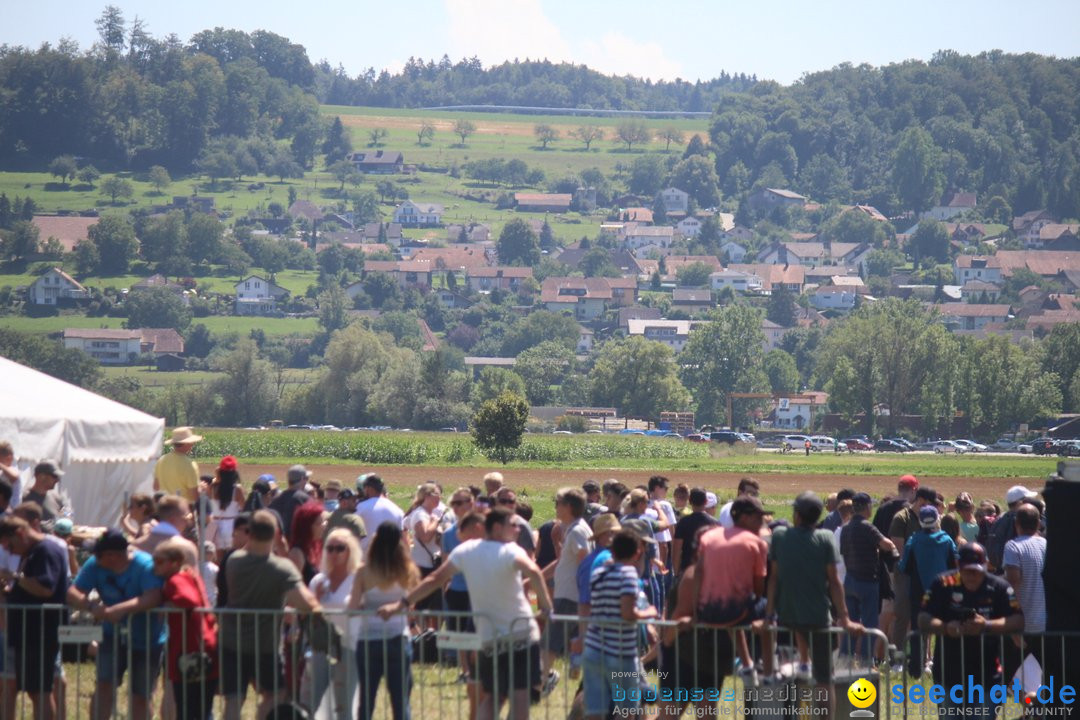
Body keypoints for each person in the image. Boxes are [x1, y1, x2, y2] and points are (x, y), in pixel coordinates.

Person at [380, 507, 553, 720]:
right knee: (519, 697)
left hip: (489, 639)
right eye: (513, 525)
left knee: (492, 697)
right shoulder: (511, 550)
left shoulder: (466, 550)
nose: (518, 529)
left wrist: (402, 603)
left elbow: (435, 579)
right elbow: (534, 572)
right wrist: (546, 607)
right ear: (497, 528)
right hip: (521, 635)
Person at [220, 510, 322, 720]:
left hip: (231, 641)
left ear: (249, 532)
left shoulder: (233, 561)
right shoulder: (281, 567)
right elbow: (304, 602)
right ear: (275, 533)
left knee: (234, 699)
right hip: (265, 644)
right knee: (275, 694)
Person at [765, 491, 861, 704]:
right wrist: (844, 617)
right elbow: (834, 582)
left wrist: (769, 613)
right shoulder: (825, 538)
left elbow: (773, 578)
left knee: (785, 675)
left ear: (797, 515)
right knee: (825, 679)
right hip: (819, 616)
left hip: (786, 616)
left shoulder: (780, 536)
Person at [67, 529, 165, 720]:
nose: (94, 556)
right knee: (104, 685)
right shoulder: (95, 564)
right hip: (112, 636)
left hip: (147, 639)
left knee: (141, 695)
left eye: (99, 553)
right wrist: (91, 606)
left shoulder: (144, 565)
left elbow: (153, 597)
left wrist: (118, 610)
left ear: (113, 555)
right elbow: (72, 593)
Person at [918, 543, 1023, 718]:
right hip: (949, 674)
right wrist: (946, 628)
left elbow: (1018, 620)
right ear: (959, 567)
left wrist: (986, 625)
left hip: (988, 675)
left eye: (977, 571)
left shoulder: (999, 587)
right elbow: (923, 618)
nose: (972, 576)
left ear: (985, 566)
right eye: (968, 571)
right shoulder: (943, 583)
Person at [694, 495, 769, 687]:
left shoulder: (708, 536)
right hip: (736, 609)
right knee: (771, 613)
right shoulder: (756, 542)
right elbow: (759, 585)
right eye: (758, 517)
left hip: (707, 610)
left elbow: (699, 572)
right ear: (743, 518)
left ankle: (747, 663)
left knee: (732, 609)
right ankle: (769, 668)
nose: (762, 522)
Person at [582, 530, 658, 720]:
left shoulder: (597, 573)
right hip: (619, 652)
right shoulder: (628, 574)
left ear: (612, 550)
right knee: (628, 710)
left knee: (594, 710)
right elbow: (628, 613)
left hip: (593, 649)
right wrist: (649, 612)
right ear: (637, 553)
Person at [0, 515, 69, 720]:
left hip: (39, 632)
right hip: (27, 632)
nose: (8, 551)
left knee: (40, 691)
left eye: (9, 545)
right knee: (34, 690)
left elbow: (45, 588)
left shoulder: (45, 551)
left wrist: (14, 577)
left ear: (21, 533)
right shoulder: (31, 553)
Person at [351, 522, 420, 720]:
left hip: (368, 640)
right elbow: (410, 608)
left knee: (366, 700)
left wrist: (365, 607)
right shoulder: (408, 570)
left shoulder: (363, 571)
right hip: (398, 638)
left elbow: (353, 607)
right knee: (401, 702)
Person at [152, 537, 217, 720]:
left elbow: (188, 600)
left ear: (175, 563)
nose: (154, 566)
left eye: (159, 562)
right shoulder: (192, 576)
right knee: (202, 710)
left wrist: (167, 601)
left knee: (190, 711)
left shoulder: (176, 580)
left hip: (191, 653)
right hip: (204, 648)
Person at [304, 528, 360, 720]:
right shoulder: (318, 580)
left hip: (349, 646)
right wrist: (316, 599)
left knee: (345, 703)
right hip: (322, 646)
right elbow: (308, 615)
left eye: (340, 548)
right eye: (330, 548)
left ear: (350, 550)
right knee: (312, 700)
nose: (334, 553)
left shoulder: (357, 580)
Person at [839, 493, 897, 660]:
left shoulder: (846, 528)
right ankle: (865, 659)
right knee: (870, 623)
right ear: (867, 507)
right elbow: (887, 544)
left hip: (849, 580)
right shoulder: (867, 527)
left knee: (851, 621)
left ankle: (846, 658)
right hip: (867, 581)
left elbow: (844, 552)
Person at [544, 488, 592, 682]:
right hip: (570, 595)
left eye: (558, 503)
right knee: (578, 642)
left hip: (570, 596)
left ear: (569, 507)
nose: (555, 507)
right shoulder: (573, 529)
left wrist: (584, 594)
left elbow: (584, 560)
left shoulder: (578, 530)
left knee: (549, 643)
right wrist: (534, 579)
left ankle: (541, 681)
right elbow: (564, 561)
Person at [1003, 502, 1047, 688]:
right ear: (1038, 523)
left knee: (1001, 678)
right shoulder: (1048, 546)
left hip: (1021, 625)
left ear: (1016, 524)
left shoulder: (1013, 546)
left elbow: (1013, 581)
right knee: (1052, 679)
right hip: (1046, 625)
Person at [887, 484, 936, 643]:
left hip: (925, 573)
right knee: (902, 614)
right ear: (921, 500)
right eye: (930, 502)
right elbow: (899, 549)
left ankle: (924, 657)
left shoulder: (932, 517)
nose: (932, 506)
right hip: (905, 573)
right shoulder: (902, 518)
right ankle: (897, 657)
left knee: (925, 614)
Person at [900, 505, 959, 608]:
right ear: (937, 520)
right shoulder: (947, 540)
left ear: (920, 521)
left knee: (919, 621)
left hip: (919, 592)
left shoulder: (913, 541)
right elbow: (955, 565)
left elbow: (904, 568)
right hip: (943, 589)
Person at [404, 483, 445, 605]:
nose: (440, 497)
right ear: (427, 496)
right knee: (422, 605)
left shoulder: (429, 513)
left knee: (435, 606)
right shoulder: (420, 514)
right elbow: (426, 536)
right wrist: (435, 522)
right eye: (437, 494)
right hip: (422, 566)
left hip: (431, 564)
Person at [987, 485, 1038, 574]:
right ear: (1020, 503)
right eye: (1028, 500)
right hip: (1016, 573)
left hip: (1000, 571)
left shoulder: (1000, 519)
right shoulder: (1019, 520)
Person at [134, 496, 198, 566]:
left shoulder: (136, 546)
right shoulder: (186, 549)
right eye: (187, 517)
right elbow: (192, 576)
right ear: (173, 520)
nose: (189, 522)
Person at [671, 487, 717, 576]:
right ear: (706, 502)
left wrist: (676, 572)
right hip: (707, 570)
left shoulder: (683, 522)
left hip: (687, 570)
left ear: (690, 501)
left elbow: (677, 549)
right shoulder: (715, 524)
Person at [207, 456, 245, 560]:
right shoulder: (237, 490)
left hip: (215, 524)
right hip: (232, 525)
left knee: (218, 559)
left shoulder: (212, 487)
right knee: (234, 556)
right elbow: (243, 507)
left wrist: (217, 474)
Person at [356, 475, 404, 551]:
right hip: (390, 558)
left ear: (368, 488)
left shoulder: (360, 507)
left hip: (366, 558)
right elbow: (402, 538)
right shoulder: (397, 510)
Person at [154, 427, 203, 502]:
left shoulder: (161, 460)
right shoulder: (190, 464)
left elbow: (156, 487)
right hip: (182, 508)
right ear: (187, 443)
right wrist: (201, 488)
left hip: (164, 507)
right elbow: (194, 496)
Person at [22, 461, 70, 531]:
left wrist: (67, 516)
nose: (57, 480)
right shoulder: (24, 498)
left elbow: (66, 512)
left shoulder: (56, 497)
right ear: (41, 476)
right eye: (54, 476)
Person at [269, 465, 312, 542]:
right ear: (302, 479)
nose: (306, 481)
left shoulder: (277, 499)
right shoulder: (304, 498)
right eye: (306, 478)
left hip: (280, 543)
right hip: (298, 543)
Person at [288, 501, 327, 585]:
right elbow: (292, 588)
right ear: (307, 527)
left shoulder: (317, 547)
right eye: (319, 523)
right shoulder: (297, 553)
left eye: (324, 521)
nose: (324, 526)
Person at [215, 513, 249, 609]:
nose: (251, 535)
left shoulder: (252, 556)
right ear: (234, 532)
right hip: (230, 614)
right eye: (247, 531)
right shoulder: (231, 557)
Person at [493, 487, 537, 558]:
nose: (507, 504)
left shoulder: (521, 525)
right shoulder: (487, 522)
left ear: (515, 504)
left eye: (511, 501)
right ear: (496, 502)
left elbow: (529, 556)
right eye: (503, 501)